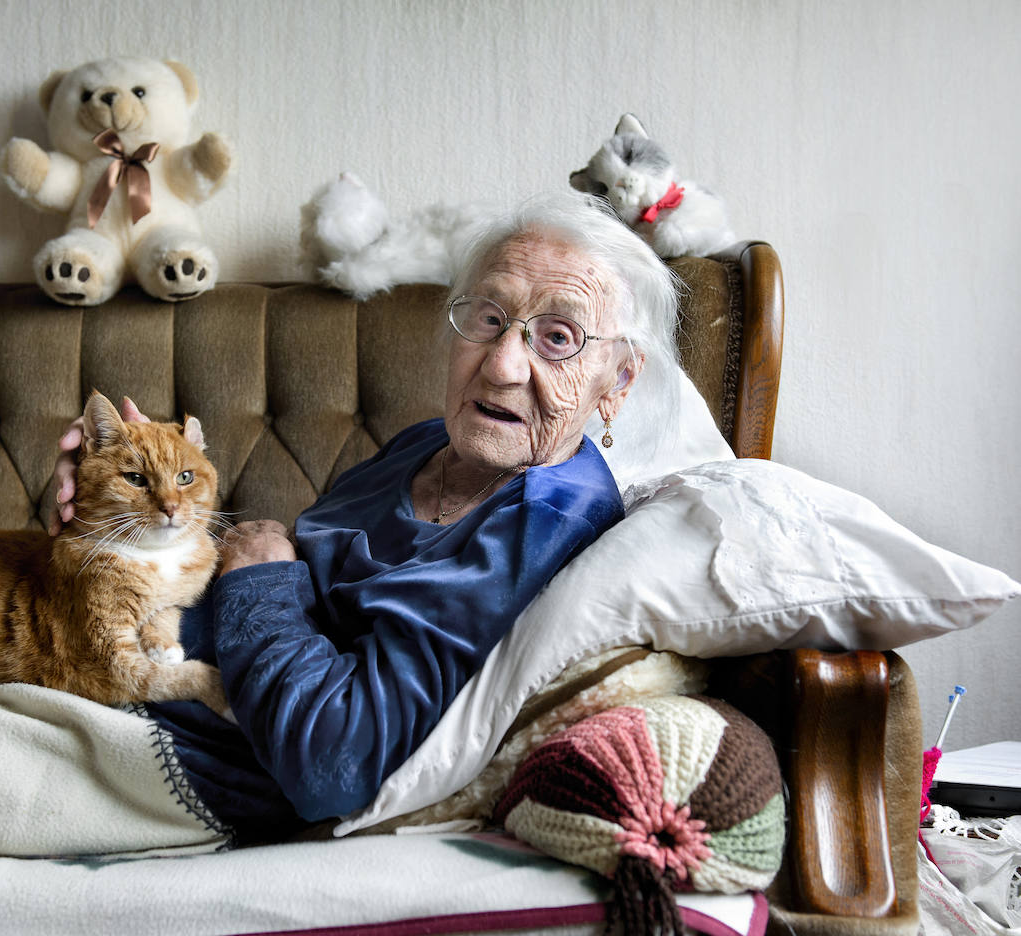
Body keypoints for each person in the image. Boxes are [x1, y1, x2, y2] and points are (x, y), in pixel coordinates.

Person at [52, 190, 681, 843]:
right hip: (116, 654)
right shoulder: (430, 444)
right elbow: (303, 588)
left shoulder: (539, 523)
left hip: (182, 752)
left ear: (619, 381)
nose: (500, 364)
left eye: (558, 337)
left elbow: (330, 763)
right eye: (489, 319)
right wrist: (110, 502)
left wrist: (255, 579)